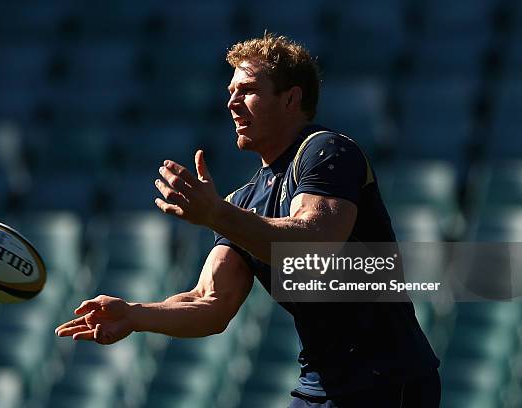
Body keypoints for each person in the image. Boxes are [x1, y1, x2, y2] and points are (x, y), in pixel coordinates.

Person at [55, 33, 441, 407]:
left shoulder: (326, 150)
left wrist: (216, 214)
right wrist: (136, 315)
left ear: (291, 98)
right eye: (230, 93)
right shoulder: (243, 201)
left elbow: (317, 241)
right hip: (320, 385)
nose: (232, 103)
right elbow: (210, 303)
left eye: (248, 90)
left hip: (387, 381)